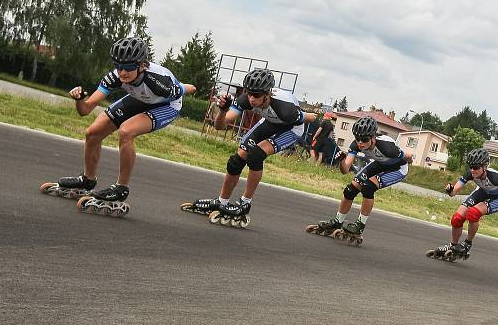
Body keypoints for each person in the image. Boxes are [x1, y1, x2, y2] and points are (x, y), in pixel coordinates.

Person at [43, 37, 195, 212]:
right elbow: (85, 110)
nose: (122, 72)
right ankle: (87, 180)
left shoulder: (158, 82)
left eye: (129, 67)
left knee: (126, 132)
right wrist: (79, 99)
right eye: (118, 66)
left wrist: (182, 88)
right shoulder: (116, 76)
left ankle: (121, 188)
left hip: (167, 105)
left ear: (142, 66)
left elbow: (190, 88)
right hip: (140, 99)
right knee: (92, 133)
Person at [182, 68, 317, 225]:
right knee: (236, 160)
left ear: (268, 94)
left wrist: (312, 116)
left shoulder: (284, 108)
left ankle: (245, 203)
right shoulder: (247, 99)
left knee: (255, 156)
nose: (252, 98)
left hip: (291, 127)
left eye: (257, 95)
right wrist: (222, 111)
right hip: (270, 122)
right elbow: (220, 126)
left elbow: (310, 118)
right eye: (249, 92)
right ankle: (222, 202)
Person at [306, 116, 412, 242]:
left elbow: (409, 157)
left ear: (373, 137)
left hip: (398, 168)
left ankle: (360, 226)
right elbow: (345, 170)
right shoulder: (356, 145)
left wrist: (408, 160)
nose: (360, 142)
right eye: (357, 139)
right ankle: (338, 221)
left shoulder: (386, 147)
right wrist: (341, 160)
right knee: (350, 190)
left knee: (368, 187)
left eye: (364, 139)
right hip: (380, 163)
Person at [427, 148, 498, 260]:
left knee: (473, 213)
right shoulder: (470, 173)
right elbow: (454, 192)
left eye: (475, 167)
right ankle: (453, 245)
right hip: (482, 192)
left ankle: (467, 243)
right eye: (470, 167)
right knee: (456, 218)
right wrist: (450, 190)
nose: (472, 170)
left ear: (485, 167)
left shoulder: (495, 178)